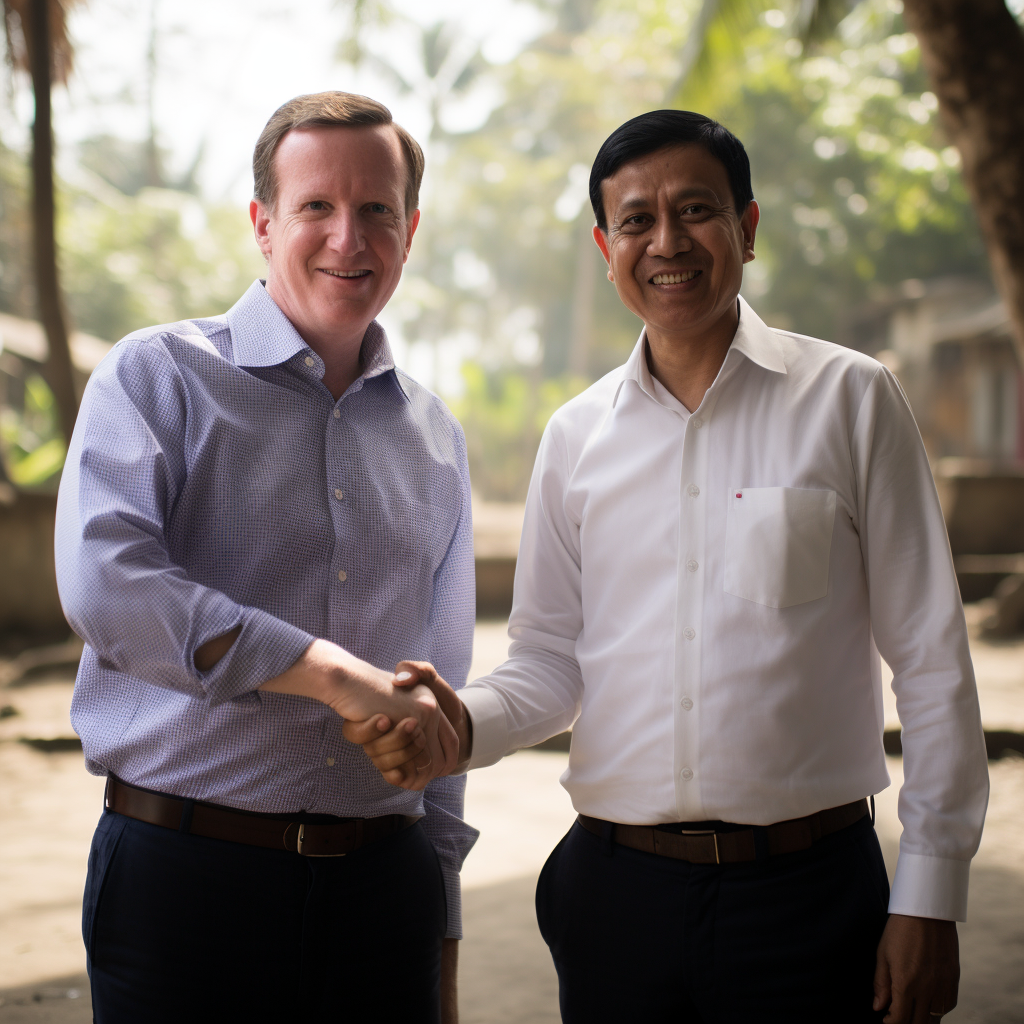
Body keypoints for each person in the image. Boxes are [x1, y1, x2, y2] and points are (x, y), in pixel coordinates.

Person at [346, 110, 989, 1023]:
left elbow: (931, 661)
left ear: (747, 229)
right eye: (637, 220)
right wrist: (458, 724)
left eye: (695, 210)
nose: (667, 241)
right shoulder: (574, 437)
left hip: (810, 898)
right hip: (614, 901)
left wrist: (930, 895)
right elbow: (547, 662)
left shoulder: (849, 400)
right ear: (608, 249)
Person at [55, 91, 477, 1024]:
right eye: (316, 207)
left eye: (376, 210)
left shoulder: (436, 439)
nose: (347, 237)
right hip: (184, 882)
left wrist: (438, 921)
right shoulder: (155, 376)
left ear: (410, 229)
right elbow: (106, 586)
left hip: (386, 894)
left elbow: (437, 699)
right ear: (262, 223)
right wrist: (329, 674)